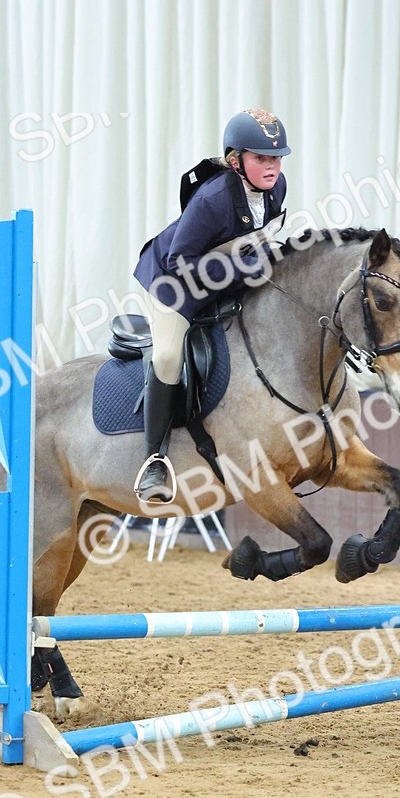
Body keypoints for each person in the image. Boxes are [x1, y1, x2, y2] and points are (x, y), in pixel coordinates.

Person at [132, 108, 290, 503]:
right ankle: (154, 460)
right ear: (236, 161)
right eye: (261, 158)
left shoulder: (277, 187)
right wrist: (242, 270)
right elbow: (179, 263)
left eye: (276, 158)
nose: (272, 167)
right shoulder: (213, 198)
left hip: (221, 276)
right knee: (168, 357)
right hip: (175, 284)